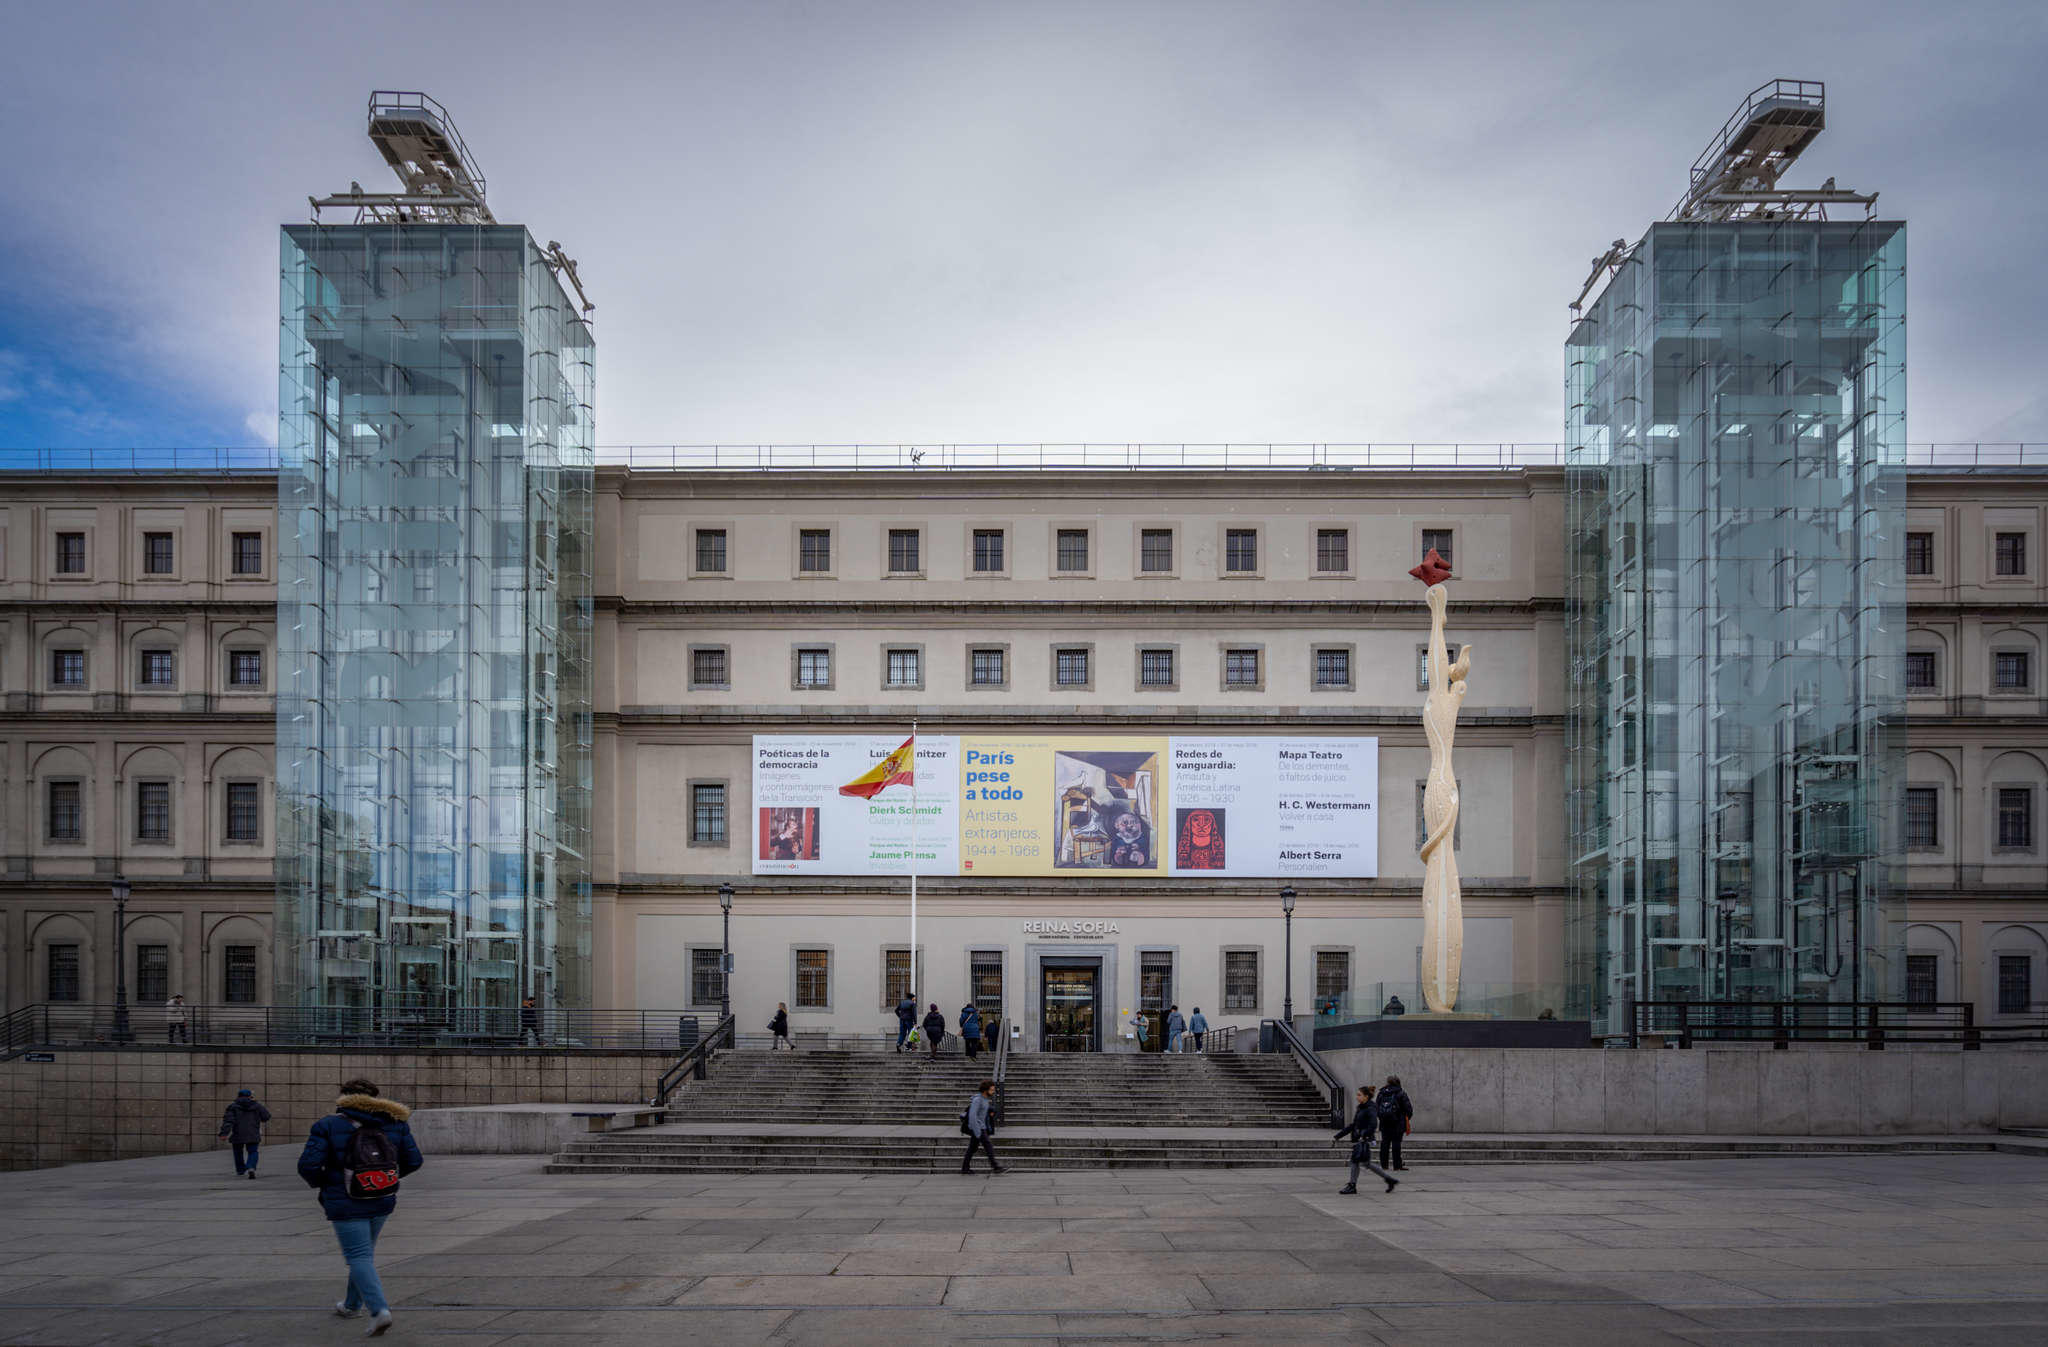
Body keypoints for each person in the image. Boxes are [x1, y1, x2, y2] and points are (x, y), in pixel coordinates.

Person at [298, 1077, 423, 1337]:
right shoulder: (396, 1124)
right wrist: (384, 1179)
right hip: (382, 1198)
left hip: (346, 1201)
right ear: (376, 1098)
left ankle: (379, 1311)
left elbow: (308, 1166)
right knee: (364, 1253)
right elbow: (414, 1160)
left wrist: (328, 1185)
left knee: (359, 1255)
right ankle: (352, 1305)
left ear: (343, 1098)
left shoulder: (328, 1125)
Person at [1334, 1085, 1398, 1194]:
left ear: (1366, 1096)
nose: (1357, 1097)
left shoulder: (1370, 1108)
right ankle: (1389, 1179)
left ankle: (1352, 1185)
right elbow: (1354, 1124)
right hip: (1360, 1138)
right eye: (1357, 1095)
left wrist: (1363, 1135)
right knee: (1366, 1163)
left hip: (1364, 1139)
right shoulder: (1361, 1107)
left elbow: (1373, 1124)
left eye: (1359, 1095)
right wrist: (1339, 1135)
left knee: (1355, 1161)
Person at [218, 1088, 271, 1180]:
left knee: (238, 1152)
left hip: (238, 1133)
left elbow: (228, 1121)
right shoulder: (257, 1106)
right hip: (253, 1132)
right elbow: (266, 1117)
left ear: (238, 1096)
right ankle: (251, 1167)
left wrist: (224, 1133)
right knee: (253, 1151)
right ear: (250, 1096)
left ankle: (240, 1170)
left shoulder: (232, 1106)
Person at [961, 1078, 1005, 1174]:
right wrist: (977, 1132)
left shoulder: (984, 1100)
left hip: (981, 1128)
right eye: (992, 1090)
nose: (993, 1092)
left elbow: (982, 1113)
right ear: (986, 1090)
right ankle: (996, 1167)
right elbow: (972, 1116)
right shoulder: (977, 1100)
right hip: (978, 1128)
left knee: (972, 1148)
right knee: (988, 1146)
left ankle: (965, 1168)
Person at [1374, 1074, 1414, 1172]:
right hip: (1398, 1123)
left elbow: (1377, 1108)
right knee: (1396, 1144)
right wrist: (1404, 1118)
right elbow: (1409, 1109)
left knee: (1385, 1144)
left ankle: (1384, 1165)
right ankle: (1397, 1166)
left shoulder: (1381, 1093)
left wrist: (1382, 1117)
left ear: (1387, 1082)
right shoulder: (1401, 1093)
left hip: (1384, 1123)